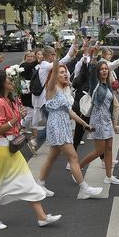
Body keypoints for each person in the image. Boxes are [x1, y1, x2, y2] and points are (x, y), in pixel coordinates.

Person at [0, 69, 60, 229]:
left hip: (10, 150)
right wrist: (16, 118)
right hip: (1, 150)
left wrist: (19, 117)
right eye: (9, 79)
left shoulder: (8, 100)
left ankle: (42, 217)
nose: (12, 81)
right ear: (1, 82)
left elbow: (12, 124)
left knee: (27, 182)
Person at [36, 56, 103, 199]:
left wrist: (84, 124)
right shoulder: (52, 87)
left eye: (65, 71)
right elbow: (53, 72)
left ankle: (39, 184)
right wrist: (58, 54)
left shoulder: (64, 90)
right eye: (61, 72)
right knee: (73, 157)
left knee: (51, 157)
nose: (65, 74)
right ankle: (84, 188)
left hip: (63, 124)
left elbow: (70, 111)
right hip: (57, 125)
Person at [77, 59, 119, 184]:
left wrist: (113, 122)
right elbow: (91, 72)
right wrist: (93, 55)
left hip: (106, 120)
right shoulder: (94, 84)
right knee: (99, 151)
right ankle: (77, 168)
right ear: (98, 72)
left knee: (109, 148)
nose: (104, 71)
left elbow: (110, 105)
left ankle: (109, 176)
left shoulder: (107, 86)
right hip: (97, 121)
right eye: (101, 69)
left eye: (106, 69)